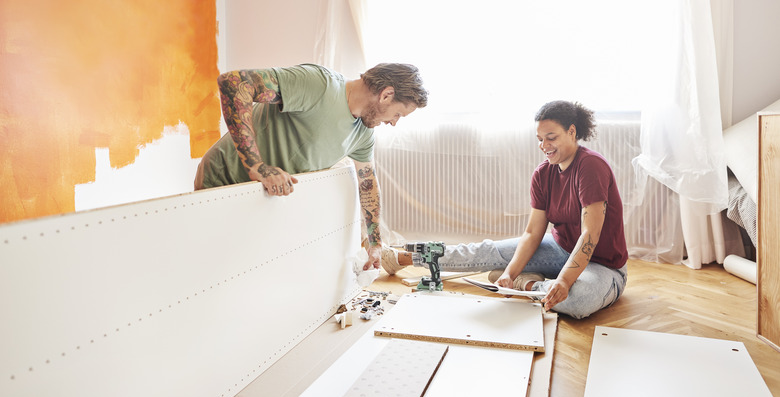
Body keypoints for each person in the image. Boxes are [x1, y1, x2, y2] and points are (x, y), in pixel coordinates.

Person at [381, 101, 628, 319]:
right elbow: (532, 233)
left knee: (578, 299)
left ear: (571, 132)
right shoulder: (543, 174)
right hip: (561, 249)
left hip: (603, 265)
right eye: (540, 139)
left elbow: (590, 235)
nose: (544, 145)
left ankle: (529, 284)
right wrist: (509, 274)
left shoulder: (590, 167)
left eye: (551, 137)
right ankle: (407, 257)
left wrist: (563, 281)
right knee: (489, 251)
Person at [195, 63, 428, 270]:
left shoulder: (363, 132)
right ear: (386, 94)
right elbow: (234, 83)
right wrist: (256, 165)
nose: (394, 123)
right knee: (213, 265)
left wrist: (375, 244)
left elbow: (367, 183)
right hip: (224, 179)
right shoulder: (319, 84)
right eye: (398, 114)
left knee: (246, 266)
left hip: (262, 195)